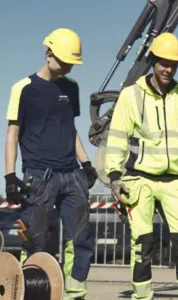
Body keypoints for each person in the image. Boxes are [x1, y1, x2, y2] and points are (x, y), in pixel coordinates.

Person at [105, 32, 178, 300]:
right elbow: (117, 139)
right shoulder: (130, 95)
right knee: (142, 247)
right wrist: (115, 177)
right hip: (139, 180)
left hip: (176, 181)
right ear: (153, 62)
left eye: (173, 64)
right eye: (163, 63)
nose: (168, 69)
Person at [4, 28, 98, 300]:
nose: (69, 67)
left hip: (72, 175)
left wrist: (87, 163)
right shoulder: (23, 88)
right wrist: (10, 176)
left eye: (72, 63)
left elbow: (71, 130)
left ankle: (74, 293)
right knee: (35, 241)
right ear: (48, 55)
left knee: (80, 239)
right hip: (39, 177)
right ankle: (34, 293)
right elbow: (12, 133)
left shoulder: (72, 88)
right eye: (65, 61)